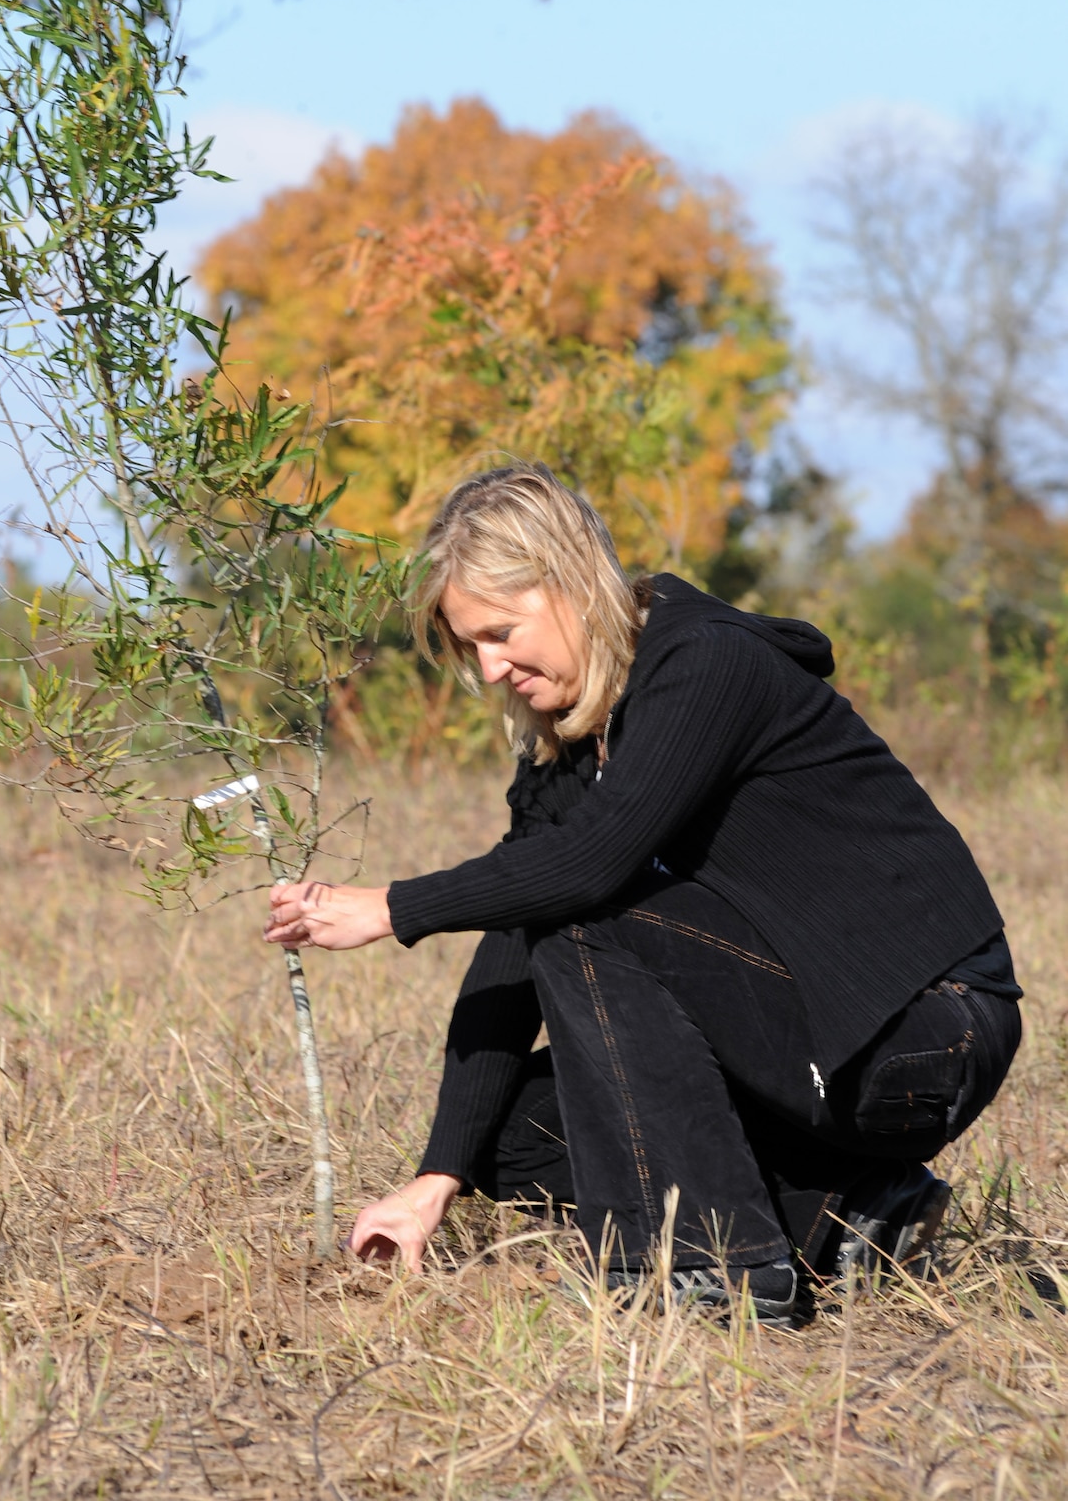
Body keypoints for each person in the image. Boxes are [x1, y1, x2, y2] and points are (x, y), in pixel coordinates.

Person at [264, 463, 1021, 1323]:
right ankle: (847, 1214)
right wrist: (435, 1181)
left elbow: (584, 870)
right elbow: (513, 942)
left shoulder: (706, 666)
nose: (488, 669)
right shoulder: (574, 737)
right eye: (470, 646)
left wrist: (392, 908)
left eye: (501, 633)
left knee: (582, 920)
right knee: (511, 1132)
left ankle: (707, 1268)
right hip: (809, 1042)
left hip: (922, 1030)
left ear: (570, 582)